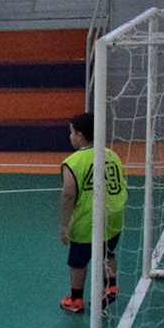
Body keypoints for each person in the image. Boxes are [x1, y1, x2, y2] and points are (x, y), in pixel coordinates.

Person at [59, 111, 127, 314]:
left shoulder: (73, 162)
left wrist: (64, 225)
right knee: (107, 252)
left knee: (77, 262)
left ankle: (76, 299)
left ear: (79, 135)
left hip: (88, 220)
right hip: (113, 216)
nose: (70, 136)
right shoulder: (111, 155)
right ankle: (111, 287)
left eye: (72, 132)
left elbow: (68, 195)